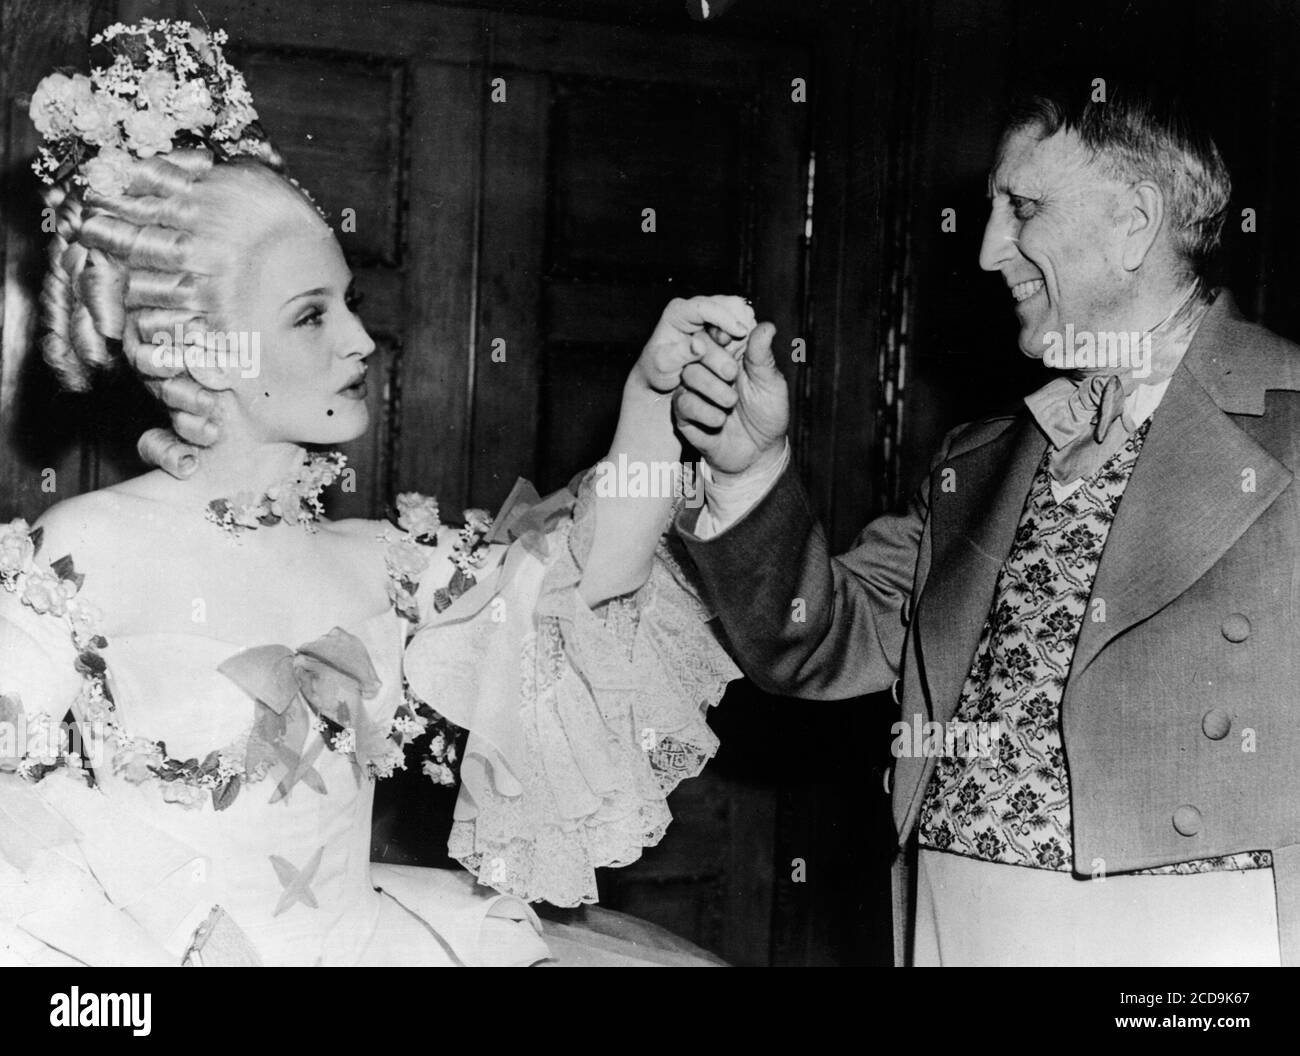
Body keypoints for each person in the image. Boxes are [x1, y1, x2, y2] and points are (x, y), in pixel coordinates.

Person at [0, 19, 745, 967]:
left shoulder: (376, 562)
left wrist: (650, 408)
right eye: (312, 315)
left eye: (349, 302)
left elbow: (585, 580)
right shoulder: (85, 549)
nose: (360, 341)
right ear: (199, 351)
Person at [671, 84, 1300, 966]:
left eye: (1023, 208)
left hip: (1188, 946)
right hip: (955, 920)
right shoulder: (985, 453)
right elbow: (819, 641)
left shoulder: (1291, 421)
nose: (986, 250)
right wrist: (750, 476)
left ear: (1135, 221)